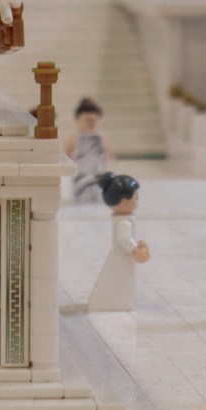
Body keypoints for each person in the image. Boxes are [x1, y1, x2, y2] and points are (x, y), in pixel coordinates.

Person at [86, 173, 150, 312]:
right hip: (123, 257)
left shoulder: (124, 219)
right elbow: (123, 239)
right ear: (121, 200)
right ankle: (115, 302)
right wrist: (135, 250)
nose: (137, 201)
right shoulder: (123, 221)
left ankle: (117, 301)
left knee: (121, 280)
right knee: (120, 280)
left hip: (123, 257)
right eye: (135, 197)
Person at [63, 98, 112, 203]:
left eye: (94, 120)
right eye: (87, 120)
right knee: (81, 200)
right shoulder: (73, 138)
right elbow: (65, 158)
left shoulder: (102, 138)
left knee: (98, 199)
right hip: (80, 177)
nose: (91, 123)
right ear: (78, 120)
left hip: (99, 176)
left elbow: (110, 157)